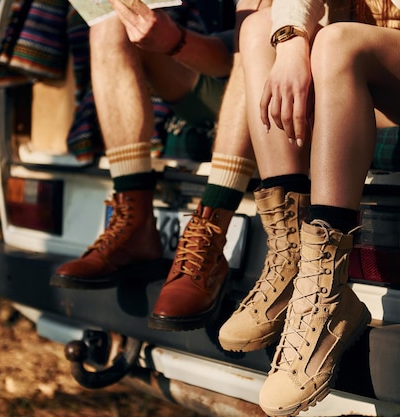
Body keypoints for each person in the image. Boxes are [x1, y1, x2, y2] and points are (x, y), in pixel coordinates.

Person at [217, 0, 400, 415]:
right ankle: (291, 255)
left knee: (336, 42)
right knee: (259, 30)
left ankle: (324, 290)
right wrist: (291, 40)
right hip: (354, 78)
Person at [50, 0, 270, 332]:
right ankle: (134, 223)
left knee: (258, 32)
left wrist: (175, 40)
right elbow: (220, 58)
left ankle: (208, 229)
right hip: (219, 70)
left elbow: (248, 49)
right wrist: (169, 37)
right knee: (110, 24)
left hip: (277, 72)